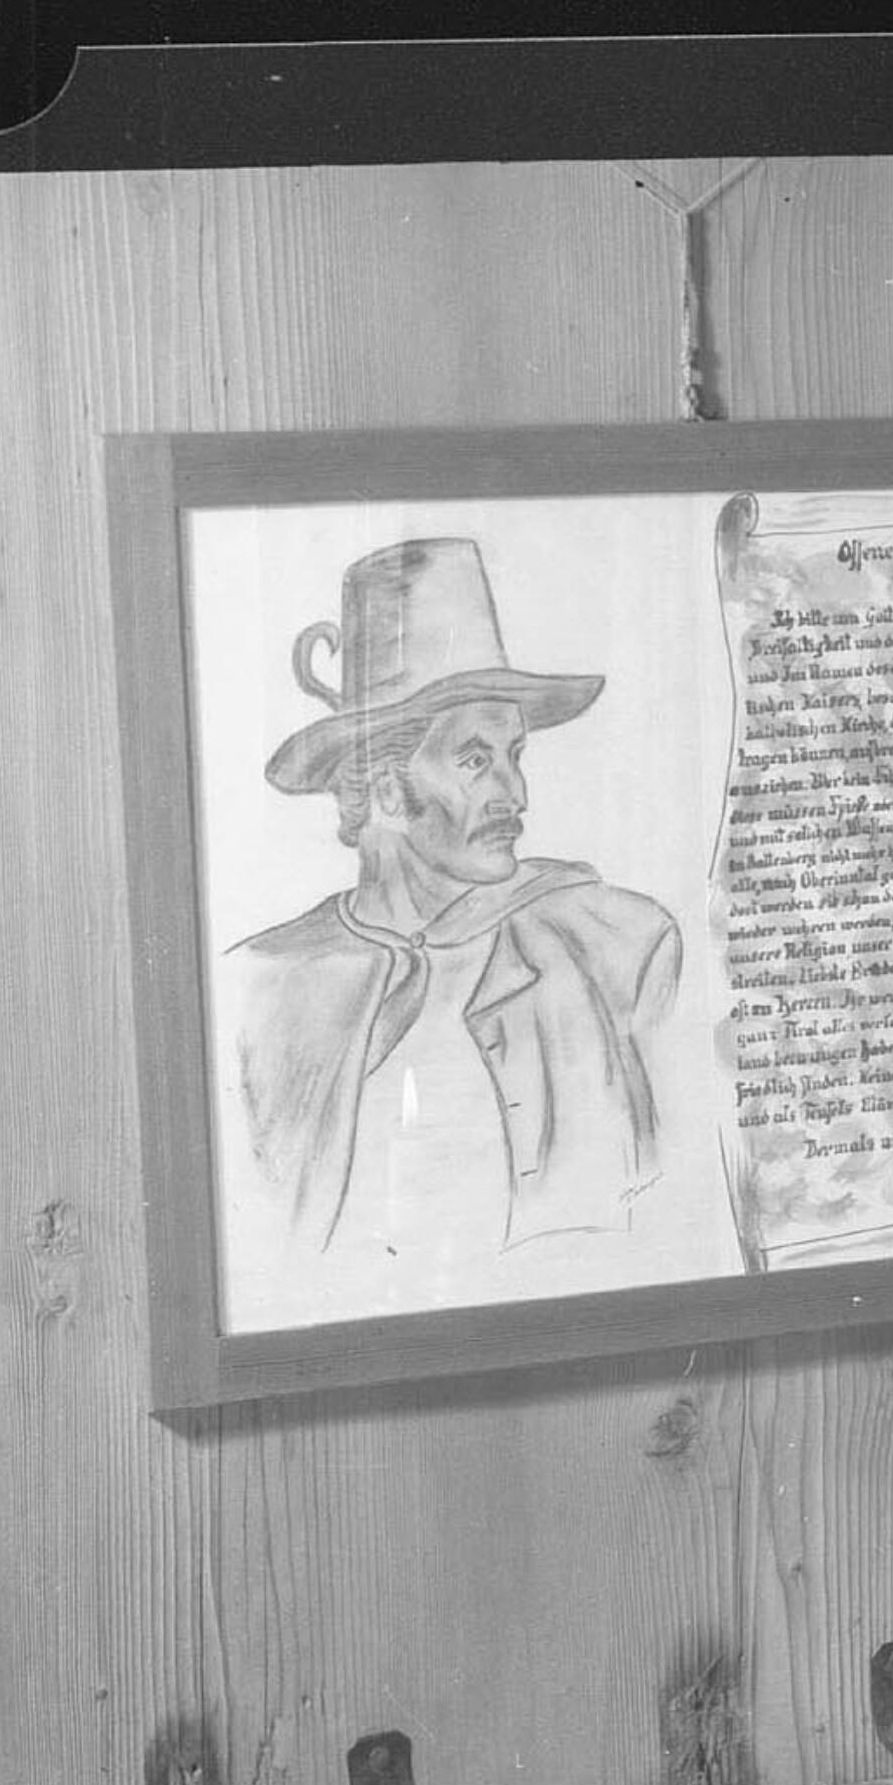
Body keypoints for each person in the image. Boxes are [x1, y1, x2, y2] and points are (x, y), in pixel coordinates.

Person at [219, 536, 683, 1278]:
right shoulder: (259, 986)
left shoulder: (617, 948)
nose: (515, 794)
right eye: (475, 760)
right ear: (388, 789)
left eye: (515, 756)